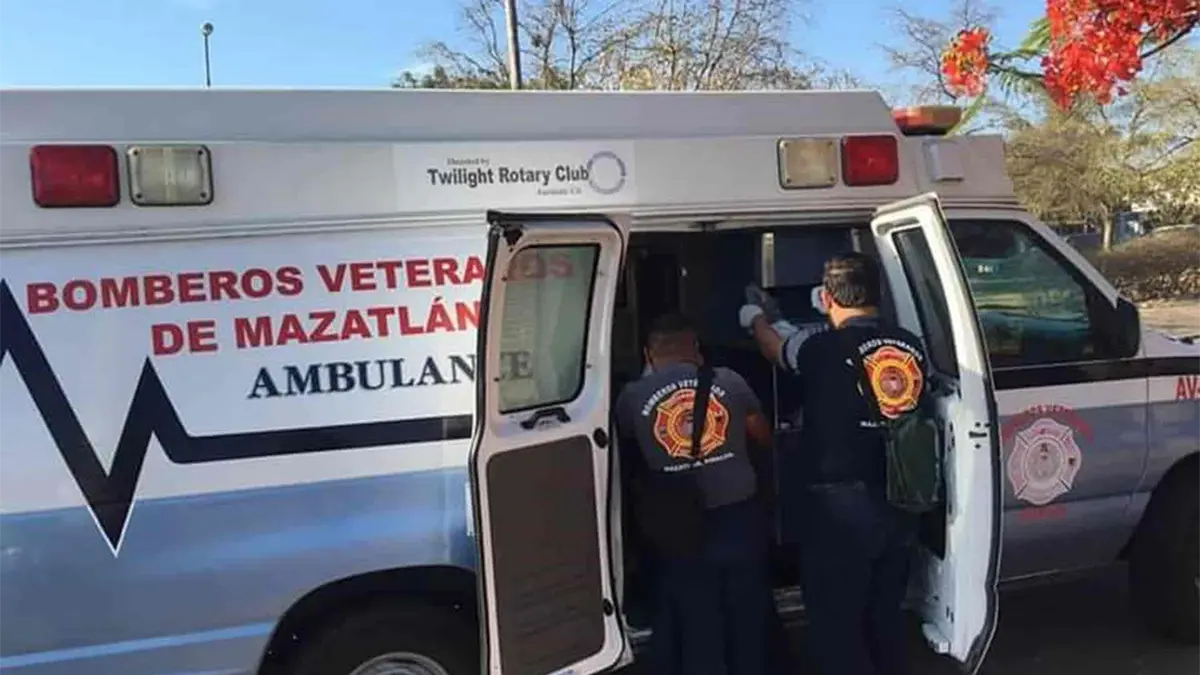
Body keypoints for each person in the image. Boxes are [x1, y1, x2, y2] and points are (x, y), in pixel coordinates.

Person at [739, 253, 927, 675]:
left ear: (825, 298)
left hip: (840, 507)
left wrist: (756, 317)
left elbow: (774, 348)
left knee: (836, 621)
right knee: (886, 613)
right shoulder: (911, 344)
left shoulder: (818, 347)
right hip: (902, 495)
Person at [615, 313, 775, 675]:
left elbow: (626, 448)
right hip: (737, 514)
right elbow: (762, 435)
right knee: (746, 613)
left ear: (648, 354)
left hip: (676, 524)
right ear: (697, 349)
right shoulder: (729, 381)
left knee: (695, 618)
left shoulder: (632, 396)